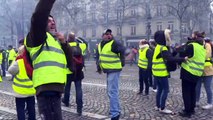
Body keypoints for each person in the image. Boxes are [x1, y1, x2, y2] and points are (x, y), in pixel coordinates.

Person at [25, 0, 68, 119]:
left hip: (56, 90)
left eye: (54, 21)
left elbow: (70, 64)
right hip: (46, 90)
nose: (53, 23)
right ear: (42, 24)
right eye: (49, 21)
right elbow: (38, 16)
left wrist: (64, 43)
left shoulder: (54, 41)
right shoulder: (38, 38)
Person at [152, 29, 186, 114]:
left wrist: (176, 51)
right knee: (166, 90)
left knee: (160, 89)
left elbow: (169, 55)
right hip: (162, 72)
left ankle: (157, 106)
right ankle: (162, 108)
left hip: (156, 72)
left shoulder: (158, 47)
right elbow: (170, 58)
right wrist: (183, 59)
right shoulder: (163, 48)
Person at [96, 29, 125, 120]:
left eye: (110, 34)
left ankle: (115, 114)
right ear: (102, 36)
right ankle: (116, 109)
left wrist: (122, 62)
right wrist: (99, 67)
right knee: (111, 92)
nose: (109, 35)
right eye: (106, 34)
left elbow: (123, 50)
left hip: (114, 69)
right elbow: (99, 57)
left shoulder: (114, 43)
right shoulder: (100, 45)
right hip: (108, 70)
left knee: (112, 92)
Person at [179, 31, 206, 118]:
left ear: (195, 37)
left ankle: (187, 112)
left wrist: (184, 46)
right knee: (192, 91)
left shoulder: (192, 45)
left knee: (186, 92)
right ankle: (192, 109)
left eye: (192, 35)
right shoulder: (202, 47)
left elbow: (182, 54)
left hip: (188, 71)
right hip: (197, 73)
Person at [62, 32, 87, 116]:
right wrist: (78, 38)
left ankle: (66, 101)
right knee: (78, 89)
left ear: (68, 39)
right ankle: (79, 108)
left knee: (67, 88)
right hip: (79, 71)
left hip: (68, 71)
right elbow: (85, 42)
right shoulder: (80, 46)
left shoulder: (65, 47)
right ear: (74, 38)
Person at [8, 45, 36, 120]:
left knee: (20, 109)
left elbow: (10, 70)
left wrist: (15, 60)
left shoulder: (19, 62)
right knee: (31, 108)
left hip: (20, 91)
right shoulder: (33, 61)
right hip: (31, 89)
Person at [195, 37, 213, 109]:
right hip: (200, 70)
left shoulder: (207, 45)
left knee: (207, 87)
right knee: (197, 87)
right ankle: (196, 101)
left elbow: (207, 55)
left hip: (208, 70)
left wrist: (199, 55)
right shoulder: (201, 46)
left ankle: (210, 103)